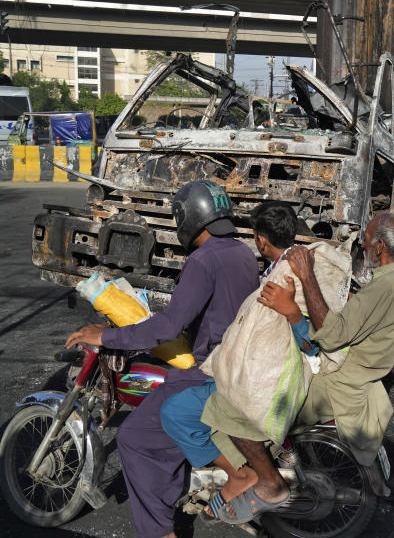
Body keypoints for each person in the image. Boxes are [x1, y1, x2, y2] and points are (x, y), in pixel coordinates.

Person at [65, 180, 259, 538]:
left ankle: (159, 531)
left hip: (209, 371)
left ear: (187, 217)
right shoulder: (242, 252)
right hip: (240, 363)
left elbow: (168, 327)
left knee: (135, 438)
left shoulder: (203, 260)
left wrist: (107, 336)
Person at [158, 200, 314, 523]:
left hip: (263, 375)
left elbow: (308, 337)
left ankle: (243, 475)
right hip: (261, 364)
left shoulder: (282, 278)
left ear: (260, 241)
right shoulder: (283, 265)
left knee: (175, 411)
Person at [282, 213, 394, 477]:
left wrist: (307, 276)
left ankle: (273, 476)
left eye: (365, 240)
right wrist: (380, 364)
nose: (362, 246)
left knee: (268, 412)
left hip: (337, 381)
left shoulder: (384, 286)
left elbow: (330, 335)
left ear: (379, 247)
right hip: (359, 377)